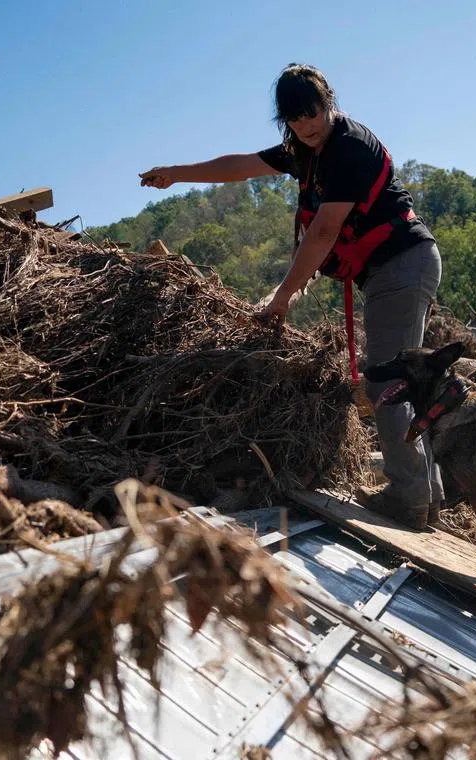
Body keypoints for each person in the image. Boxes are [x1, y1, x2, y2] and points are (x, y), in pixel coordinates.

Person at [138, 63, 444, 530]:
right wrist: (176, 174)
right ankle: (428, 493)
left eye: (314, 112)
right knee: (399, 380)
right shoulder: (302, 149)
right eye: (297, 119)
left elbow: (323, 232)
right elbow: (240, 167)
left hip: (403, 263)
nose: (308, 125)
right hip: (391, 271)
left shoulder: (347, 147)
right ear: (286, 120)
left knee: (387, 382)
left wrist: (282, 297)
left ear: (329, 102)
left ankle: (410, 498)